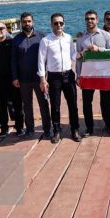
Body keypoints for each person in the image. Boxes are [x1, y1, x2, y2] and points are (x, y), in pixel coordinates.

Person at [38, 13, 80, 143]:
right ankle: (56, 131)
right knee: (55, 106)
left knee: (73, 105)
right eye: (55, 23)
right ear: (51, 25)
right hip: (54, 77)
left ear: (64, 24)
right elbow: (41, 61)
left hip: (68, 75)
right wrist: (42, 79)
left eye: (61, 23)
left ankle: (75, 129)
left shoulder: (68, 38)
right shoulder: (46, 40)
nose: (58, 25)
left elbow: (73, 56)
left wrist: (83, 53)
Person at [76, 10, 110, 137]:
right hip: (88, 75)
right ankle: (89, 128)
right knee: (87, 102)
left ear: (97, 20)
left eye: (92, 18)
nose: (90, 21)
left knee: (107, 101)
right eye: (87, 18)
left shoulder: (105, 35)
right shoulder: (81, 37)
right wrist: (78, 75)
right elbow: (78, 58)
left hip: (104, 73)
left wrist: (99, 49)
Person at [12, 12, 52, 139]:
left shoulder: (42, 37)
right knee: (27, 105)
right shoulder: (16, 39)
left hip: (40, 79)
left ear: (33, 22)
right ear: (21, 23)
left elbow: (48, 58)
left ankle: (47, 129)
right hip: (23, 80)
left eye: (29, 21)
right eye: (24, 21)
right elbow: (13, 60)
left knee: (44, 104)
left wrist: (46, 77)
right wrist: (15, 77)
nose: (27, 24)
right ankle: (29, 129)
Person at [0, 21, 24, 137]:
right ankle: (4, 128)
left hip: (13, 79)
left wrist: (17, 77)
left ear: (6, 30)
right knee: (1, 105)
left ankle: (19, 128)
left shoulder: (12, 42)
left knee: (17, 105)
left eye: (1, 28)